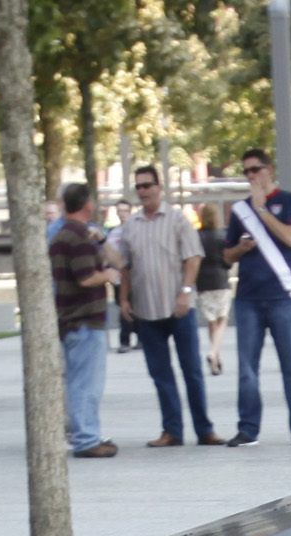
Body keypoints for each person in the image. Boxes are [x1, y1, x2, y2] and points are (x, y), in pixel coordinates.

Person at [221, 149, 291, 446]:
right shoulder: (240, 210)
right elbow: (226, 255)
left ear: (269, 169)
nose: (251, 176)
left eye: (255, 169)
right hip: (248, 298)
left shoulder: (290, 201)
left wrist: (262, 210)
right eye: (247, 172)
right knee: (247, 369)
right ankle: (248, 428)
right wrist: (240, 249)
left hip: (283, 295)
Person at [112, 166, 217, 448]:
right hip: (146, 311)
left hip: (178, 308)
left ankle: (204, 429)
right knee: (160, 374)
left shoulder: (178, 220)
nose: (143, 191)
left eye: (148, 185)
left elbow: (193, 258)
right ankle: (172, 430)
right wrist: (123, 299)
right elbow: (125, 265)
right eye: (139, 187)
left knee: (191, 370)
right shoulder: (130, 226)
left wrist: (185, 293)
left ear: (160, 188)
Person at [47, 181, 120, 460]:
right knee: (85, 384)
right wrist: (109, 276)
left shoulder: (68, 235)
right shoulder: (75, 237)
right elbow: (86, 277)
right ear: (87, 205)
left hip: (74, 321)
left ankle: (87, 434)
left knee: (82, 382)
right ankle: (86, 439)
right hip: (83, 321)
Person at [193, 204, 233, 375]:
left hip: (203, 283)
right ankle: (213, 352)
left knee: (211, 321)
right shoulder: (222, 235)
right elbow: (227, 261)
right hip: (220, 281)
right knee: (222, 319)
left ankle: (216, 358)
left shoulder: (196, 236)